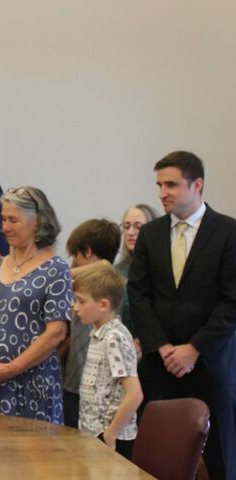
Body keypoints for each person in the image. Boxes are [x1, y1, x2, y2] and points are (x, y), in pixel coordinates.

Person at [128, 151, 236, 479]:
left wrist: (194, 348)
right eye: (160, 185)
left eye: (172, 184)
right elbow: (138, 295)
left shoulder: (228, 231)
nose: (163, 192)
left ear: (198, 185)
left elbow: (232, 301)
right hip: (159, 365)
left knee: (221, 460)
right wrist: (161, 347)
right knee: (156, 459)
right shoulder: (151, 233)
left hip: (209, 362)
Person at [0, 186, 72, 423]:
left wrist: (12, 369)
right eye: (3, 219)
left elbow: (56, 333)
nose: (4, 227)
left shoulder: (56, 269)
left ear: (37, 222)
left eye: (13, 220)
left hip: (31, 387)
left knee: (29, 457)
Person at [73, 263, 142, 460]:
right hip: (95, 434)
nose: (75, 307)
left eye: (81, 301)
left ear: (103, 305)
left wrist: (110, 434)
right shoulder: (99, 334)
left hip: (111, 439)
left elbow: (135, 394)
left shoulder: (114, 338)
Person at [60, 219, 121, 428]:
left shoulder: (107, 286)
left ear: (87, 252)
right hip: (73, 382)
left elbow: (52, 274)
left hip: (95, 391)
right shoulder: (83, 286)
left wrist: (98, 267)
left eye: (75, 256)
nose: (73, 263)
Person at [115, 204, 158, 340]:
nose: (130, 232)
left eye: (138, 227)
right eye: (127, 226)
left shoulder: (161, 270)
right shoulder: (117, 270)